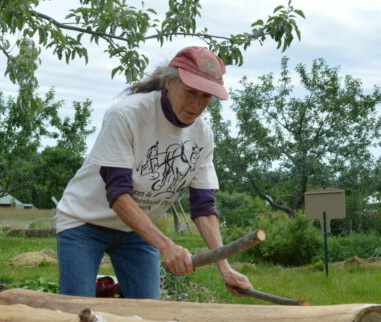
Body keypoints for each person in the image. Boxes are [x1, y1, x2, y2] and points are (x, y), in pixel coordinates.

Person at [54, 46, 255, 299]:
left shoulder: (202, 135)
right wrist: (167, 246)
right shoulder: (127, 114)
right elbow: (118, 194)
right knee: (77, 308)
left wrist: (224, 267)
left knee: (149, 311)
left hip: (136, 232)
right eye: (190, 92)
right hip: (84, 222)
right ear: (169, 82)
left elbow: (203, 207)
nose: (196, 105)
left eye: (205, 97)